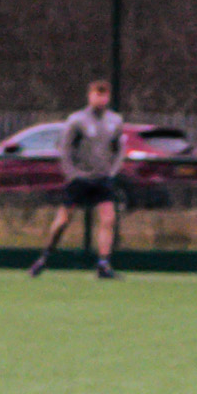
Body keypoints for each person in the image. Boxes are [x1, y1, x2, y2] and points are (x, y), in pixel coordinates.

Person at [28, 80, 123, 279]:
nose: (101, 98)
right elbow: (65, 149)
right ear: (90, 96)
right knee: (63, 221)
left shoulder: (115, 120)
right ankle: (44, 256)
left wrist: (112, 171)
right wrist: (72, 174)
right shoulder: (77, 120)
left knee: (108, 219)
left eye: (104, 95)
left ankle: (103, 265)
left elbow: (119, 149)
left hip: (102, 179)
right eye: (97, 94)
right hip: (80, 180)